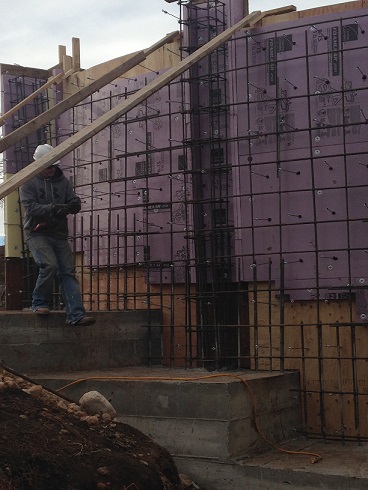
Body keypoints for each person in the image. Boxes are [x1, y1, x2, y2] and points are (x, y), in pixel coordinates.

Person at [19, 144, 95, 326]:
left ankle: (76, 314)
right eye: (48, 167)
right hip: (37, 233)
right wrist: (53, 209)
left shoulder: (63, 182)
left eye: (53, 167)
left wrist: (74, 203)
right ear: (38, 165)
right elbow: (31, 208)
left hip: (58, 234)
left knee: (67, 272)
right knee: (49, 265)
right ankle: (38, 303)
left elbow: (71, 199)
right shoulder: (28, 182)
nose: (51, 170)